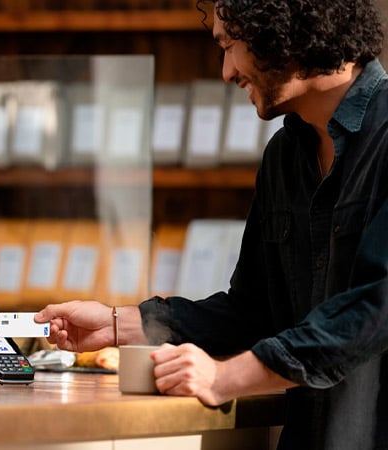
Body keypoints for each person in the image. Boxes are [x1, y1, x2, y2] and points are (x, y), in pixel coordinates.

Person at [36, 0, 388, 448]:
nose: (226, 72)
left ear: (287, 29)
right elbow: (252, 313)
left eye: (231, 45)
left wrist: (225, 377)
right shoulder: (282, 157)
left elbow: (375, 309)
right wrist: (119, 323)